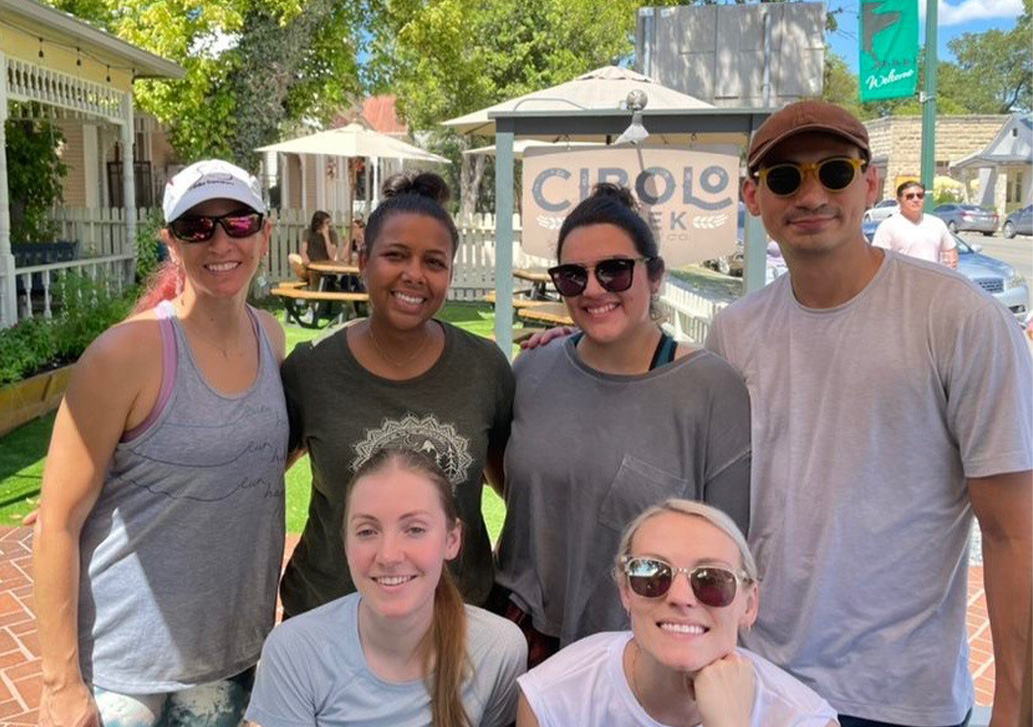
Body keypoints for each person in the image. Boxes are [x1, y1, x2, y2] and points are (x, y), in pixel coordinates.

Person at [707, 100, 1033, 727]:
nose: (809, 194)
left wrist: (1014, 707)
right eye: (783, 178)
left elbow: (1015, 532)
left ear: (871, 183)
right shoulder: (735, 331)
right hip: (759, 684)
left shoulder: (961, 319)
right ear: (754, 197)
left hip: (901, 700)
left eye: (833, 172)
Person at [34, 159, 288, 727]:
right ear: (172, 242)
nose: (220, 240)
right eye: (197, 226)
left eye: (238, 223)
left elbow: (259, 454)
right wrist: (60, 685)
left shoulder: (271, 337)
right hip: (123, 675)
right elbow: (57, 523)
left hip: (229, 655)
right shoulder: (125, 354)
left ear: (264, 234)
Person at [493, 184, 751, 667]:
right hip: (523, 642)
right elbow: (517, 482)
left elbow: (729, 553)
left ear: (655, 276)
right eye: (573, 276)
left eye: (614, 270)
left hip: (643, 651)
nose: (593, 289)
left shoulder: (712, 389)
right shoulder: (532, 369)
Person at [279, 171, 513, 619]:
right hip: (331, 620)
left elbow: (519, 494)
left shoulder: (484, 368)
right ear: (364, 260)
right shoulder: (312, 369)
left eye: (433, 262)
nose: (414, 275)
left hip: (455, 622)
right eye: (396, 255)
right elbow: (258, 481)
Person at [246, 447, 527, 727]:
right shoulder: (294, 653)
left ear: (452, 540)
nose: (389, 555)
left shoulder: (498, 649)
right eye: (367, 531)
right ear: (345, 544)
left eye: (415, 529)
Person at [516, 499, 838, 727]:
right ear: (625, 591)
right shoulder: (555, 696)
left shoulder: (802, 718)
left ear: (749, 604)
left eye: (713, 579)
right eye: (651, 572)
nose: (681, 598)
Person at [871, 181, 958, 268]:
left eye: (920, 196)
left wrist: (950, 266)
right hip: (902, 280)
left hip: (931, 280)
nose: (916, 199)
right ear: (899, 200)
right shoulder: (888, 226)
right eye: (910, 196)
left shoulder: (937, 224)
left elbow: (950, 251)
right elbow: (878, 260)